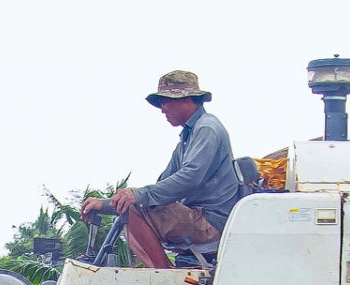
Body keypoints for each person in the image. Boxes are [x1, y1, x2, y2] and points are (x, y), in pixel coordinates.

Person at [81, 70, 243, 268]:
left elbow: (189, 178)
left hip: (211, 222)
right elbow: (162, 187)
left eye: (165, 102)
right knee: (132, 207)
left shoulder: (207, 128)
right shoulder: (187, 137)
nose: (162, 109)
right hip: (196, 216)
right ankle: (162, 272)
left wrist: (135, 196)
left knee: (133, 207)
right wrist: (105, 204)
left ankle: (164, 275)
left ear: (187, 99)